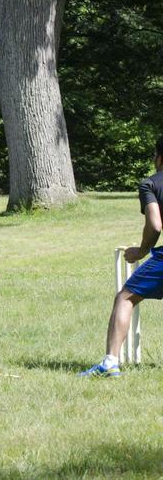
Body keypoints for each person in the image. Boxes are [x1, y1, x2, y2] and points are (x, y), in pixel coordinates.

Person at [80, 137, 163, 377]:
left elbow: (155, 225)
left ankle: (110, 363)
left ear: (159, 157)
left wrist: (141, 251)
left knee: (125, 298)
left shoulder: (150, 184)